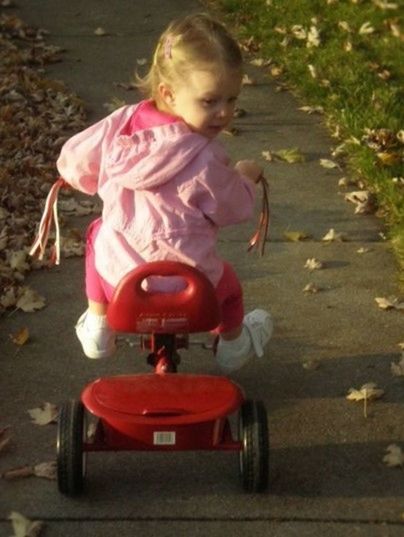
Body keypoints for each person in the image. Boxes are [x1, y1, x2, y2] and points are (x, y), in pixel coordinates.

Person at [56, 12, 273, 371]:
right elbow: (233, 208)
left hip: (121, 286)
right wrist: (244, 178)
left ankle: (98, 322)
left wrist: (87, 180)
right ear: (168, 93)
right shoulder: (206, 157)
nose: (224, 113)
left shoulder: (121, 125)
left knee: (99, 235)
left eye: (231, 100)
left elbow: (77, 159)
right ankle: (233, 346)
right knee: (230, 287)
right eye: (210, 101)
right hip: (192, 292)